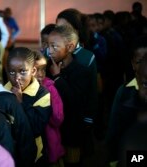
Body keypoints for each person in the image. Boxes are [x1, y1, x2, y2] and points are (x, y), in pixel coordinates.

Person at [46, 25, 92, 167]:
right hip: (53, 130)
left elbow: (76, 101)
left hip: (72, 131)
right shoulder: (47, 67)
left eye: (54, 47)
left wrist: (58, 78)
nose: (49, 51)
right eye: (48, 46)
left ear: (70, 47)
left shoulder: (82, 72)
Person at [4, 47, 51, 166]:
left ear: (33, 71)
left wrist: (20, 102)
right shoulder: (3, 91)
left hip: (33, 155)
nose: (17, 78)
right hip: (9, 152)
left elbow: (36, 128)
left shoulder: (42, 94)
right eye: (12, 72)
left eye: (23, 71)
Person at [107, 35, 147, 165]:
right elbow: (114, 127)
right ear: (132, 64)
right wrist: (113, 159)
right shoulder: (124, 91)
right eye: (139, 61)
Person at [56, 9, 98, 133]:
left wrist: (89, 118)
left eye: (65, 28)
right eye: (57, 28)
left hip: (76, 118)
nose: (60, 32)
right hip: (55, 116)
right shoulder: (51, 53)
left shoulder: (87, 57)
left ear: (76, 31)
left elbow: (92, 92)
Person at [34, 50, 65, 166]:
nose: (41, 74)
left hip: (50, 142)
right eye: (36, 70)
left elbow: (58, 118)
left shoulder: (50, 89)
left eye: (43, 69)